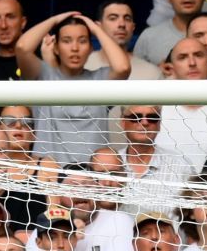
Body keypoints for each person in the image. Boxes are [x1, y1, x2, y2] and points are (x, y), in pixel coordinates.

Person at [13, 11, 132, 167]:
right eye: (66, 41)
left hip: (94, 178)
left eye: (82, 41)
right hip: (49, 177)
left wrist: (96, 29)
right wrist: (54, 20)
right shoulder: (43, 76)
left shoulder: (100, 79)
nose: (75, 48)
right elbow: (22, 48)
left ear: (91, 48)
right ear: (55, 47)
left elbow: (123, 67)